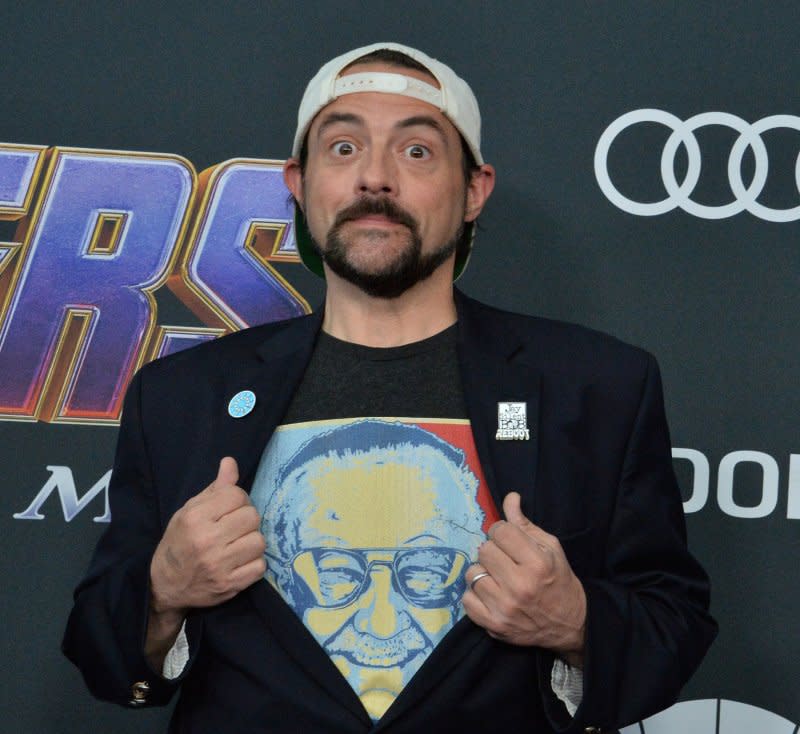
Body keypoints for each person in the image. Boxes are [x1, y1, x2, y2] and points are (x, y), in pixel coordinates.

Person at [64, 42, 716, 733]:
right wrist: (163, 594)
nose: (375, 177)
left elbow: (671, 623)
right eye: (343, 148)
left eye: (416, 152)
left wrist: (577, 622)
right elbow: (101, 656)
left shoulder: (598, 386)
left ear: (473, 192)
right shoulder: (180, 397)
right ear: (299, 182)